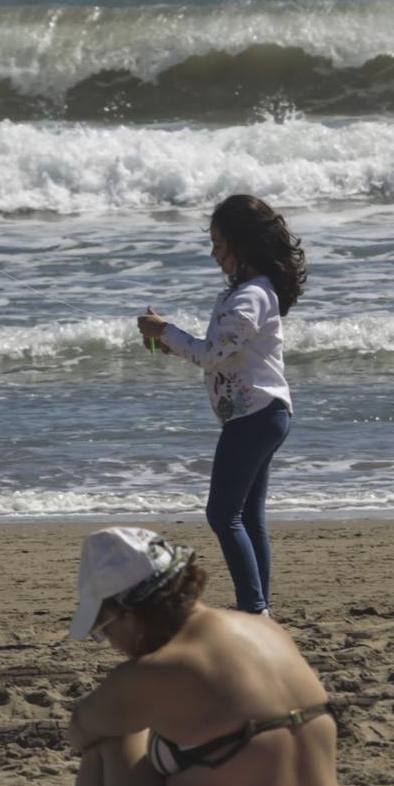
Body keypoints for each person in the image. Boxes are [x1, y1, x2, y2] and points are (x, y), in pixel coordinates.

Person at [9, 528, 365, 786]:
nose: (109, 642)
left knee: (119, 738)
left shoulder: (158, 669)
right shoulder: (266, 629)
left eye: (103, 628)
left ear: (128, 614)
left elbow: (80, 733)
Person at [136, 193, 306, 614]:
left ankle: (254, 608)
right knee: (247, 516)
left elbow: (212, 353)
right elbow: (217, 352)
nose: (213, 254)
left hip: (256, 416)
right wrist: (168, 340)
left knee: (222, 514)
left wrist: (167, 331)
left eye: (218, 244)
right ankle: (258, 606)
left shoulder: (251, 297)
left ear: (242, 246)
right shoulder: (250, 293)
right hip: (263, 414)